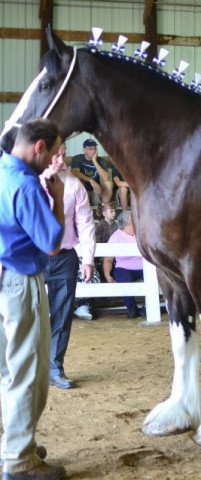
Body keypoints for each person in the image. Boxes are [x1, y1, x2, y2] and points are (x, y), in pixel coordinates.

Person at [0, 119, 67, 479]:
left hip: (1, 273)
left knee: (7, 370)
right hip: (20, 282)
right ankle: (20, 460)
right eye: (54, 152)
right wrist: (56, 195)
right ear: (39, 147)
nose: (55, 160)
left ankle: (13, 443)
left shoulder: (2, 169)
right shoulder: (26, 186)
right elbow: (53, 244)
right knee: (29, 371)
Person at [42, 144, 96, 389]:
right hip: (33, 256)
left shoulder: (74, 185)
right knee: (25, 314)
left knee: (62, 314)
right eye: (57, 154)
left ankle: (55, 368)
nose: (61, 159)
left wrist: (88, 259)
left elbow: (85, 223)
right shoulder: (29, 178)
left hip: (65, 256)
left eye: (64, 154)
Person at [103, 211, 145, 319]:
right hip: (124, 267)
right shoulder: (115, 237)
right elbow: (108, 259)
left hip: (144, 266)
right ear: (125, 225)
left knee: (155, 278)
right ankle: (132, 309)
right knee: (124, 279)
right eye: (133, 222)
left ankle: (149, 307)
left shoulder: (142, 233)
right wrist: (107, 275)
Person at [70, 138, 113, 205]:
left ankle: (105, 209)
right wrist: (91, 180)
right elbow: (75, 173)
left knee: (108, 183)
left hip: (97, 189)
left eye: (95, 148)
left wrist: (94, 161)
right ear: (84, 150)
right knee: (77, 182)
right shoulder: (77, 158)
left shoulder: (101, 160)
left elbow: (105, 178)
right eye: (90, 149)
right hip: (83, 187)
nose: (93, 151)